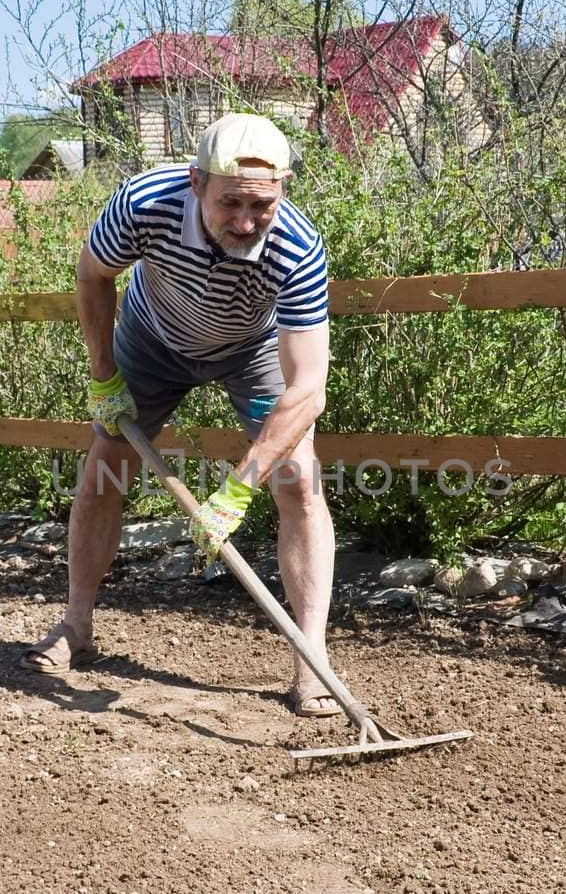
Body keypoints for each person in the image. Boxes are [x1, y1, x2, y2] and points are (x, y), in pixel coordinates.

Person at [23, 111, 340, 717]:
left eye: (261, 206)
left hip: (251, 350)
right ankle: (75, 628)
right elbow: (93, 275)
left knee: (300, 481)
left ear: (284, 188)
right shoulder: (145, 203)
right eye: (230, 204)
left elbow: (308, 390)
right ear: (196, 183)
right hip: (152, 339)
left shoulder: (298, 250)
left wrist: (238, 490)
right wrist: (103, 376)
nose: (246, 222)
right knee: (104, 468)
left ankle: (311, 661)